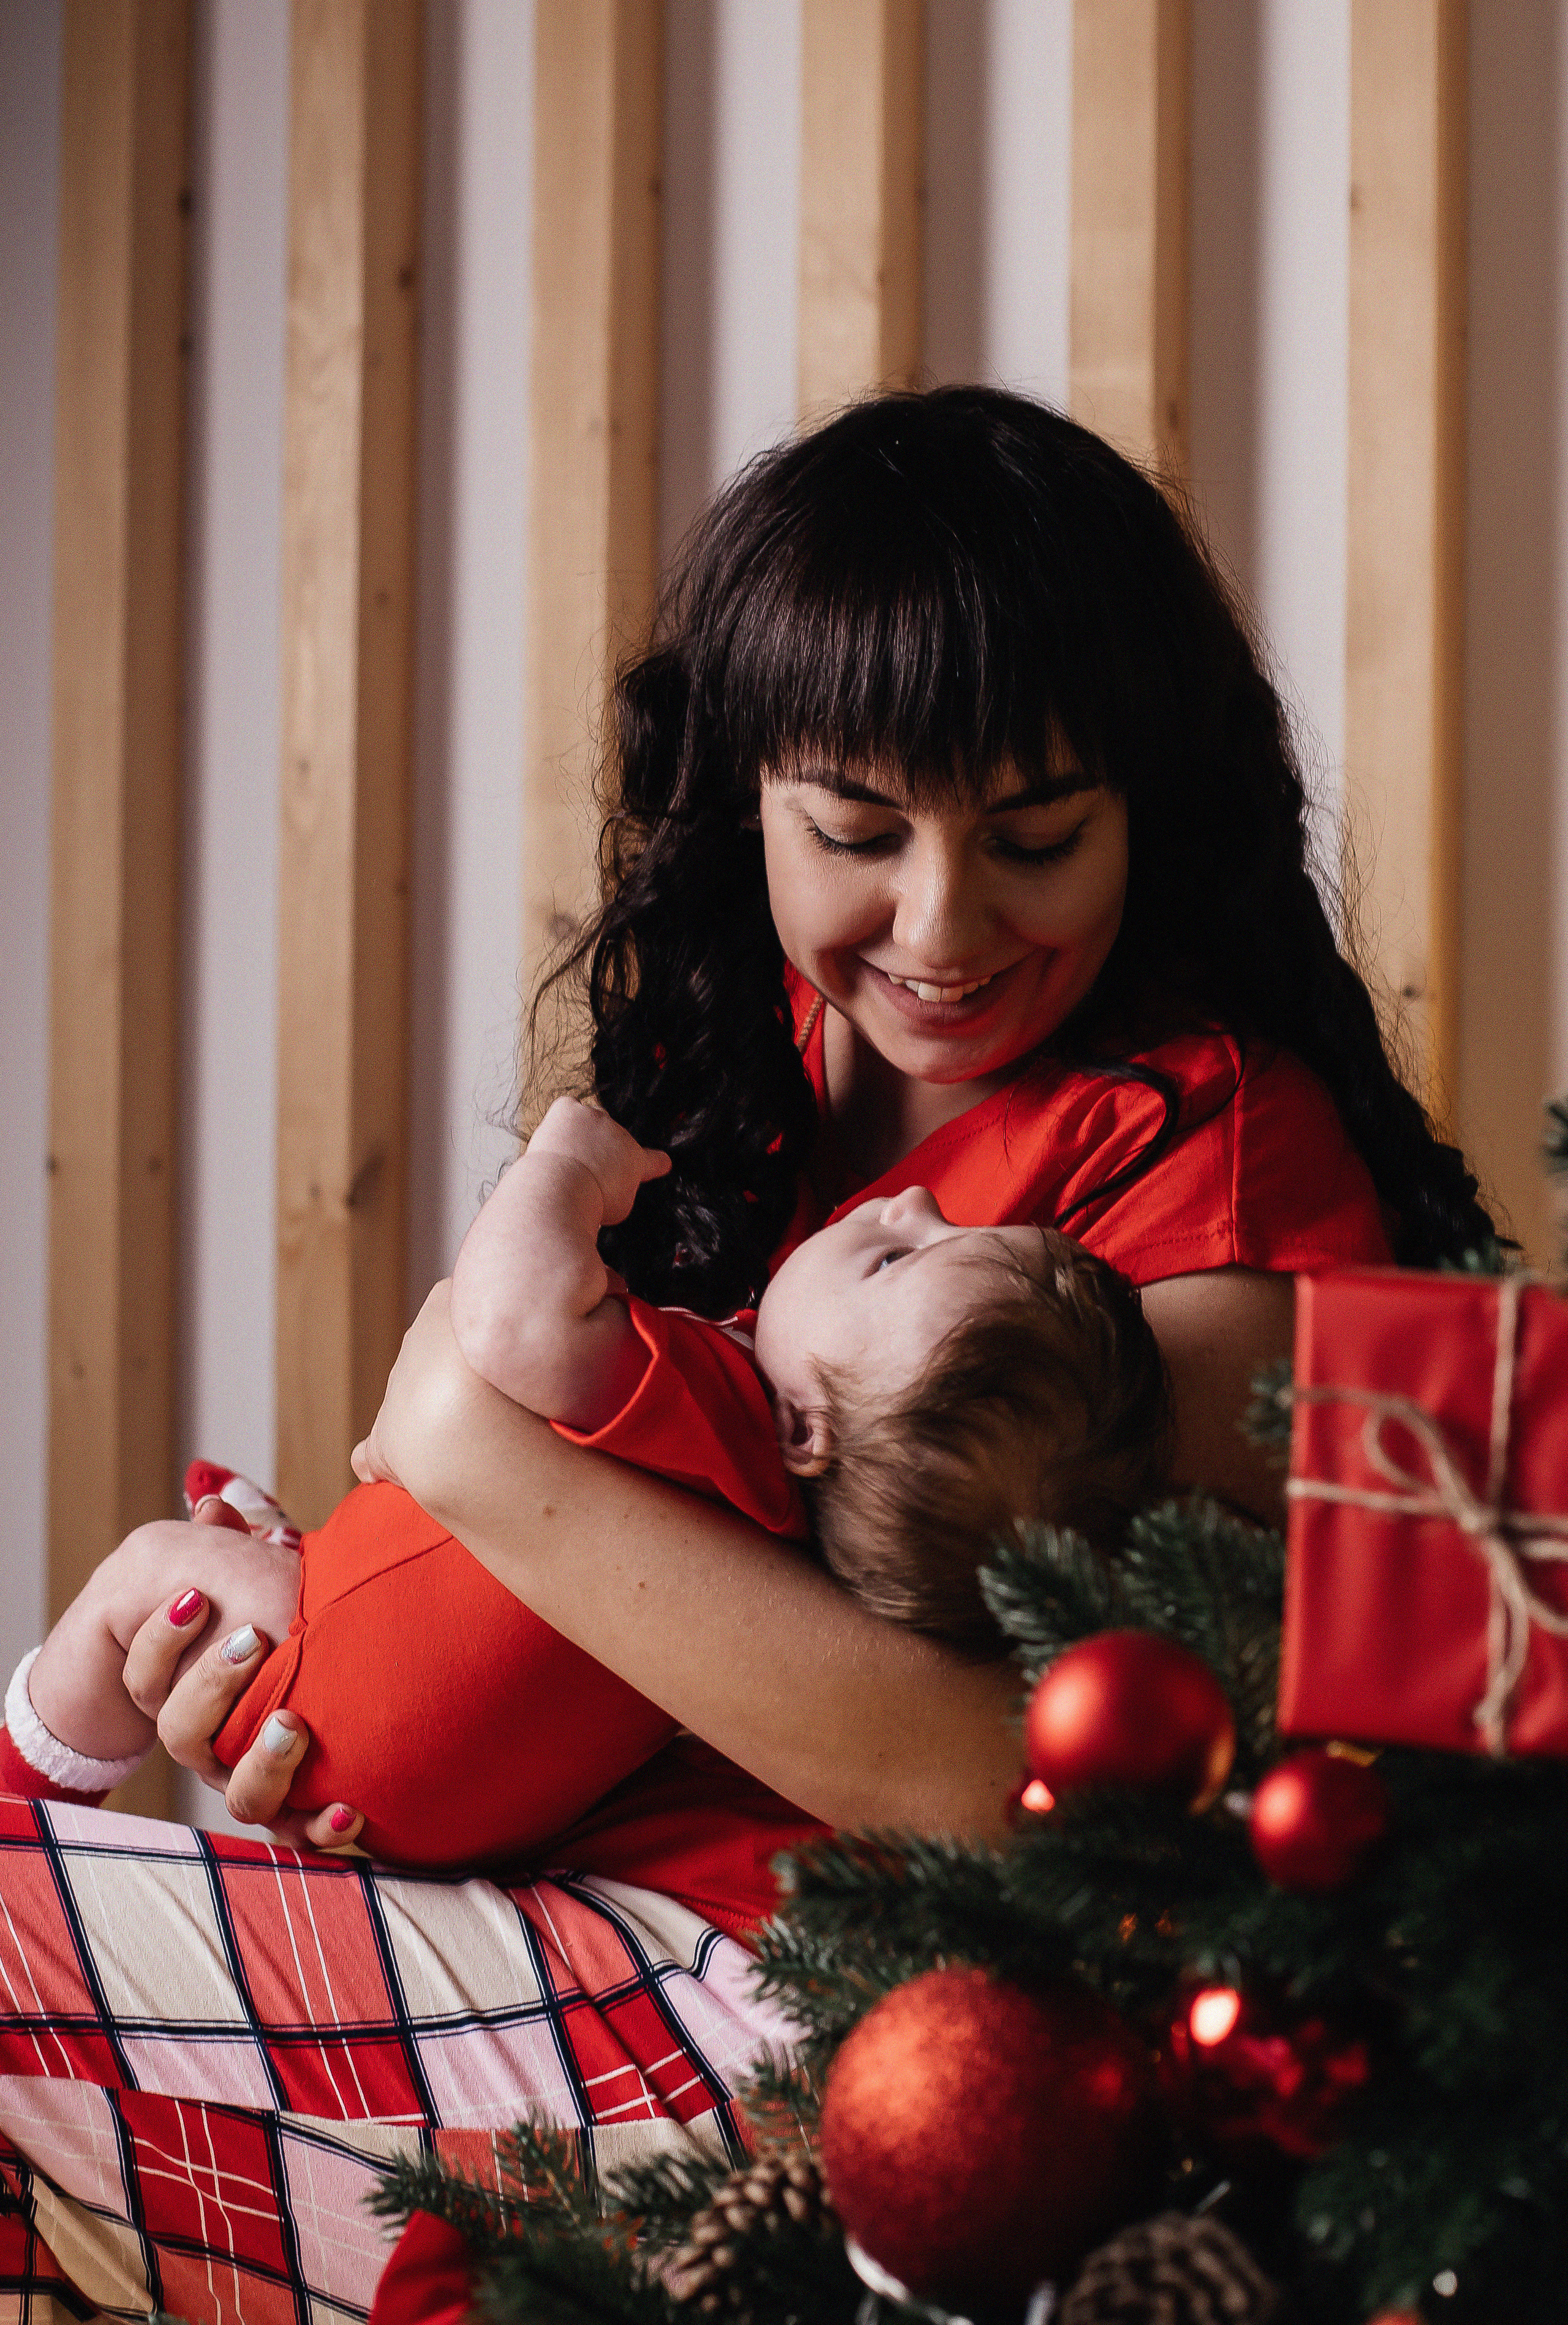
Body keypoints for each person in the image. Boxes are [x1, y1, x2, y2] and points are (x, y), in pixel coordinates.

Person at [0, 389, 1493, 2325]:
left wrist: (478, 1451)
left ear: (1146, 807)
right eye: (859, 831)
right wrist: (315, 1689)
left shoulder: (1215, 1156)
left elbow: (1024, 1802)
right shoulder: (732, 1080)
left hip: (844, 2042)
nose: (945, 926)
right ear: (750, 803)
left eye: (1036, 834)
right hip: (541, 1918)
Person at [0, 1098, 1169, 1862]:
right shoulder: (772, 1550)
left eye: (898, 1256)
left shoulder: (717, 1405)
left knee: (147, 1571)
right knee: (265, 1575)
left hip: (341, 1720)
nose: (911, 1200)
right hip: (459, 1812)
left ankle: (24, 1813)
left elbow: (506, 1321)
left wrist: (565, 1164)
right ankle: (287, 1565)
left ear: (809, 1430)